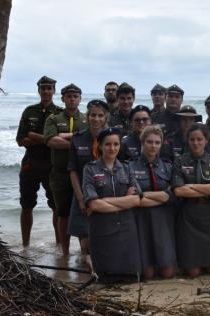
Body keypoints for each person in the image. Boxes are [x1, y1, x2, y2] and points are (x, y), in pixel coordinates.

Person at [82, 127, 142, 282]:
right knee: (106, 279)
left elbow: (136, 199)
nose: (112, 148)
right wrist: (124, 202)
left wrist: (105, 201)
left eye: (116, 144)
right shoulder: (90, 169)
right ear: (100, 146)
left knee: (129, 278)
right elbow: (93, 205)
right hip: (102, 229)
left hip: (126, 230)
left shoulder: (127, 168)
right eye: (108, 144)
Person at [173, 124, 210, 277]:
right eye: (192, 139)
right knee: (193, 272)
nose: (196, 143)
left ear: (206, 140)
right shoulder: (180, 161)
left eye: (199, 139)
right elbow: (178, 190)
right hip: (189, 214)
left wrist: (190, 186)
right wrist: (208, 187)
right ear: (187, 141)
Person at [16, 75, 62, 247]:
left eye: (49, 88)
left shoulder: (60, 113)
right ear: (39, 90)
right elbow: (21, 140)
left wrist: (34, 136)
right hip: (30, 164)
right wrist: (48, 139)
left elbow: (59, 140)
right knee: (26, 205)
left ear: (54, 91)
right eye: (43, 88)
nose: (46, 91)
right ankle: (25, 245)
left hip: (52, 165)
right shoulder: (29, 111)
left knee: (56, 207)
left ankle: (59, 246)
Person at [44, 83, 88, 255]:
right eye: (68, 96)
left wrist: (67, 139)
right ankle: (65, 252)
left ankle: (83, 251)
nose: (72, 99)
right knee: (62, 213)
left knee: (82, 211)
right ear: (62, 98)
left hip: (81, 174)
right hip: (60, 174)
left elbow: (90, 141)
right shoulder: (53, 119)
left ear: (80, 99)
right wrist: (77, 144)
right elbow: (50, 141)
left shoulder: (86, 119)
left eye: (75, 96)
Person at [131, 125, 176, 279]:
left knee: (168, 273)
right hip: (141, 219)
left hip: (163, 219)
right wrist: (161, 197)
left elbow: (171, 197)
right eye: (150, 142)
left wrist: (145, 196)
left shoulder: (168, 167)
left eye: (157, 142)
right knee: (147, 274)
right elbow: (135, 200)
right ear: (142, 143)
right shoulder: (130, 167)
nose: (153, 145)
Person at [67, 99, 109, 257]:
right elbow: (72, 170)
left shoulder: (112, 139)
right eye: (92, 115)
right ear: (87, 116)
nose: (96, 119)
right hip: (82, 195)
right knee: (85, 243)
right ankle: (88, 275)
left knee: (103, 240)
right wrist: (80, 198)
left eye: (100, 115)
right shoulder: (77, 139)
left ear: (105, 117)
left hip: (106, 194)